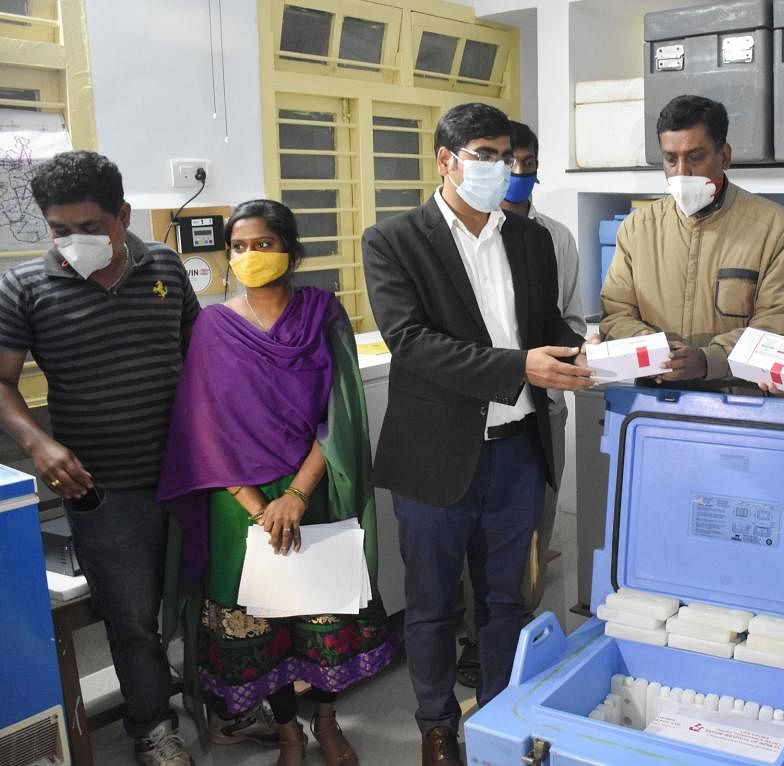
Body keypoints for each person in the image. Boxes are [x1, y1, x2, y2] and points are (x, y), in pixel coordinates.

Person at [361, 103, 592, 766]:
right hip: (435, 457)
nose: (501, 170)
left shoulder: (531, 240)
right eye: (485, 156)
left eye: (509, 159)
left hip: (518, 450)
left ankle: (495, 717)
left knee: (504, 601)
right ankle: (436, 726)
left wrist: (588, 349)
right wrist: (521, 365)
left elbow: (546, 325)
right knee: (432, 606)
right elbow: (411, 342)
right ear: (447, 160)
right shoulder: (395, 240)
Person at [157, 200, 396, 766]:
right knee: (265, 622)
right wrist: (258, 505)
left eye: (262, 244)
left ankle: (328, 721)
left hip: (317, 489)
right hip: (237, 498)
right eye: (238, 247)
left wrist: (295, 495)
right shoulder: (214, 326)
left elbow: (339, 416)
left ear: (290, 249)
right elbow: (203, 425)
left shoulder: (321, 313)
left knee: (325, 612)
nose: (248, 256)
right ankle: (289, 733)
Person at [0, 151, 199, 765]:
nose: (74, 242)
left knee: (210, 600)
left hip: (189, 474)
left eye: (90, 227)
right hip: (103, 490)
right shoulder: (25, 286)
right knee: (133, 619)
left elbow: (202, 361)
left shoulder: (164, 266)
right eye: (60, 230)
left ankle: (229, 702)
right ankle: (152, 727)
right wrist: (40, 442)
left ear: (123, 216)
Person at [456, 120, 587, 687]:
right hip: (468, 416)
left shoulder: (550, 238)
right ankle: (476, 641)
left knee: (530, 529)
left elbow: (569, 320)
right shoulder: (445, 235)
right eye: (500, 161)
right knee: (468, 541)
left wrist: (581, 353)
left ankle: (517, 635)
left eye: (524, 164)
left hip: (539, 410)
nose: (514, 175)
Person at [600, 94, 784, 388]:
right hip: (655, 405)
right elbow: (616, 312)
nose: (682, 172)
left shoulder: (774, 228)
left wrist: (709, 359)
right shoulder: (637, 229)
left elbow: (780, 326)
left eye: (695, 157)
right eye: (671, 159)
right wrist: (643, 343)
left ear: (724, 156)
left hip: (738, 406)